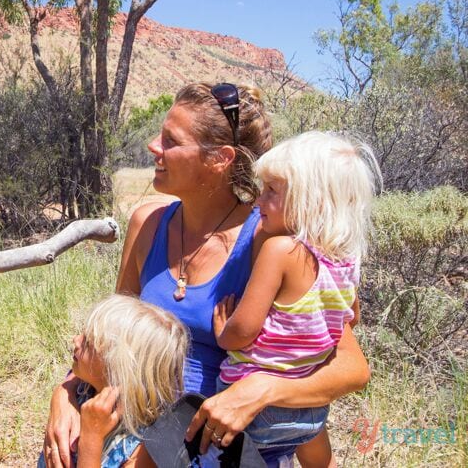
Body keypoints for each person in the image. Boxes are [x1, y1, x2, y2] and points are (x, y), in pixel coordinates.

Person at [42, 83, 371, 468]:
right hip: (132, 423)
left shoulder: (269, 241)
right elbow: (110, 338)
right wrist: (66, 393)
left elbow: (352, 368)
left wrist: (261, 389)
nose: (153, 146)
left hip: (204, 443)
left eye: (170, 140)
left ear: (219, 159)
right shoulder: (147, 222)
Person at [213, 131, 381, 467]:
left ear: (313, 200)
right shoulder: (347, 258)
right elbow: (351, 317)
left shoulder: (280, 250)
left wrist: (223, 333)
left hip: (256, 411)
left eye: (272, 191)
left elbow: (244, 329)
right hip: (311, 415)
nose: (259, 201)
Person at [38, 294, 189, 467]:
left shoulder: (144, 447)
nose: (76, 340)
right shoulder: (84, 392)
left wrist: (92, 438)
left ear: (117, 367)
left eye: (88, 342)